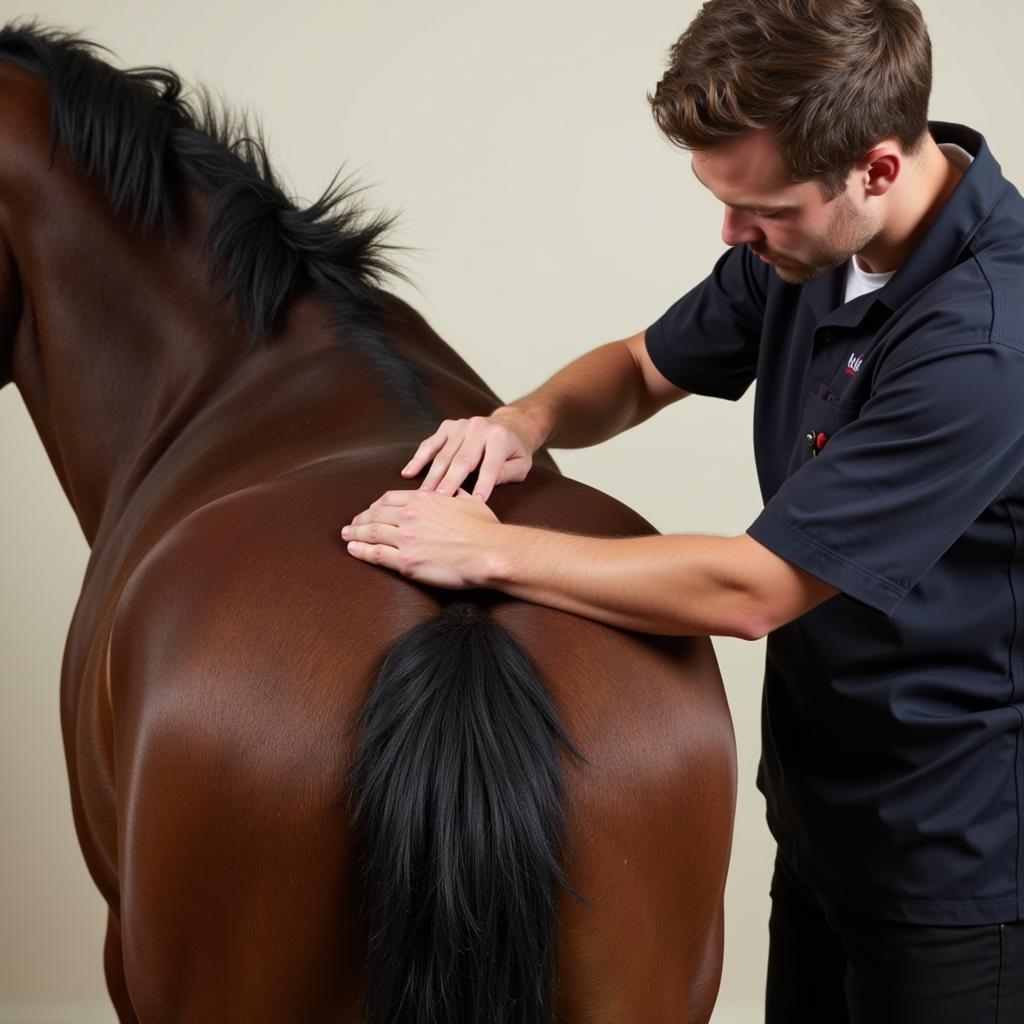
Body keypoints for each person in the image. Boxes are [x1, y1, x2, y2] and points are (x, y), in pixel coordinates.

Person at [341, 0, 1024, 1019]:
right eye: (720, 200)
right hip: (819, 812)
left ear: (875, 168)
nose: (732, 234)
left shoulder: (984, 345)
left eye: (763, 210)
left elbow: (753, 589)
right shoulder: (811, 241)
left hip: (958, 863)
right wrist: (523, 422)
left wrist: (488, 552)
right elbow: (637, 368)